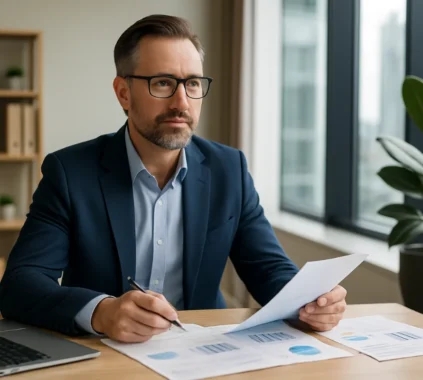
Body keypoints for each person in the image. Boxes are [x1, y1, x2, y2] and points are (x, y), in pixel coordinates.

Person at [0, 14, 347, 343]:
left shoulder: (229, 169)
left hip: (205, 353)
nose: (181, 101)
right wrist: (101, 312)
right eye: (163, 83)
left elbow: (269, 268)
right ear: (123, 92)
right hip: (106, 355)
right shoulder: (71, 172)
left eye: (193, 83)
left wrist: (310, 302)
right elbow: (20, 284)